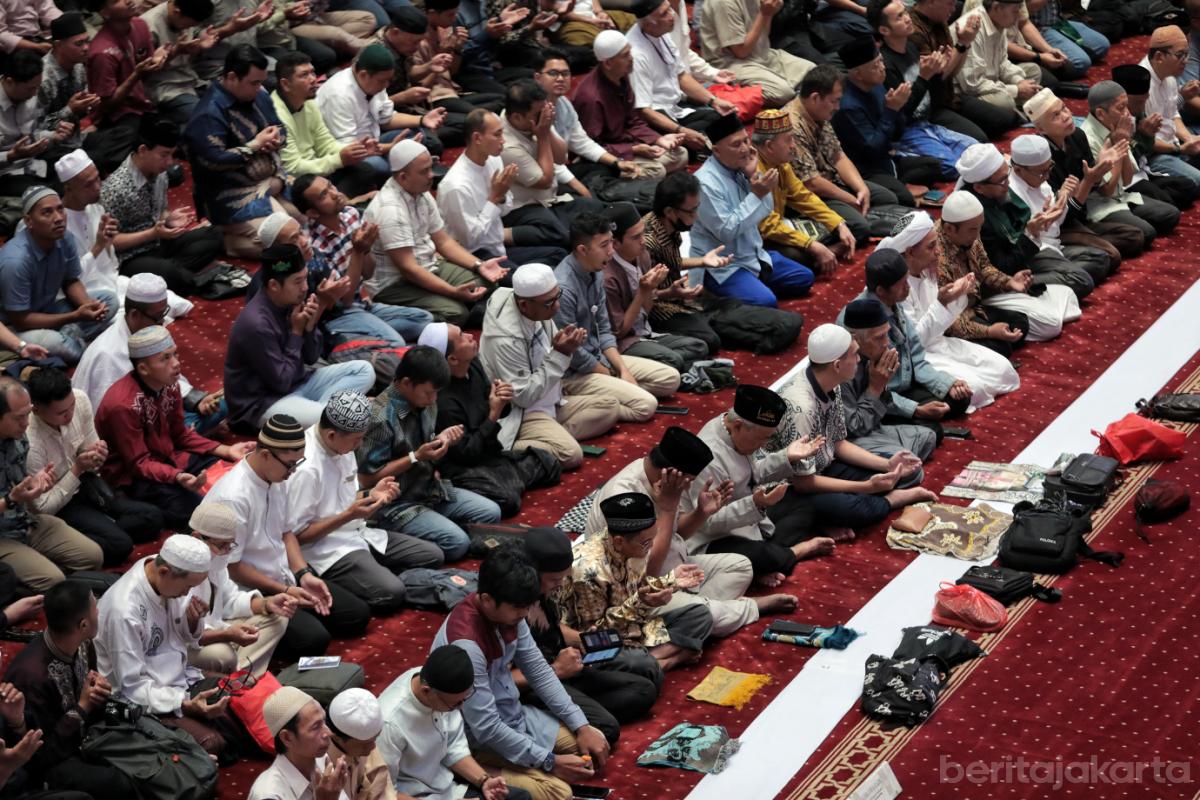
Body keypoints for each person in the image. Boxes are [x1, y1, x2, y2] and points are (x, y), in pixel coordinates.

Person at [431, 547, 610, 800]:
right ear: (486, 600)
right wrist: (549, 761)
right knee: (557, 793)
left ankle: (531, 766)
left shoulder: (511, 614)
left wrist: (580, 725)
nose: (525, 614)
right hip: (476, 739)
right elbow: (486, 728)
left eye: (527, 607)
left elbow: (538, 671)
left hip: (513, 715)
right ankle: (474, 772)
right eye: (518, 608)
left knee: (595, 741)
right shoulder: (467, 645)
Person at [585, 427, 795, 633]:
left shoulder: (664, 481)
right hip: (638, 592)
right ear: (670, 473)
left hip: (676, 568)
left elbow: (678, 535)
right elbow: (648, 572)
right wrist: (668, 508)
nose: (687, 488)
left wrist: (701, 513)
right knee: (705, 612)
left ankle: (695, 619)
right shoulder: (624, 497)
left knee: (740, 566)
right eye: (688, 482)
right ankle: (743, 609)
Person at [203, 414, 372, 663]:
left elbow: (286, 532)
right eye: (291, 464)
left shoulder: (276, 475)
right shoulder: (234, 497)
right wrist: (285, 590)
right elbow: (233, 567)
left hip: (283, 576)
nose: (294, 471)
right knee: (314, 639)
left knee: (356, 615)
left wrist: (303, 575)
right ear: (265, 455)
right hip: (248, 589)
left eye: (298, 462)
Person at [289, 391, 445, 613]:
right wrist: (349, 514)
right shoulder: (306, 469)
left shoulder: (341, 445)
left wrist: (372, 494)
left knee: (433, 556)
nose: (359, 445)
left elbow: (345, 499)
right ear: (332, 435)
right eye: (356, 440)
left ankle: (372, 576)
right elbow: (297, 537)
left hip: (358, 531)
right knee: (393, 592)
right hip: (326, 549)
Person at [771, 324, 935, 535]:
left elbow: (838, 443)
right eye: (855, 355)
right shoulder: (802, 408)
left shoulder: (832, 383)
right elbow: (802, 482)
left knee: (900, 474)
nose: (859, 360)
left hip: (824, 467)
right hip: (789, 489)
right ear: (837, 365)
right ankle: (890, 500)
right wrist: (865, 487)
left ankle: (839, 511)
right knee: (856, 509)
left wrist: (887, 464)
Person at [95, 325, 252, 531]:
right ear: (143, 369)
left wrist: (225, 450)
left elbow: (180, 434)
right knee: (203, 514)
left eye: (175, 354)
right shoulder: (123, 406)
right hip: (135, 479)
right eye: (165, 358)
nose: (176, 363)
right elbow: (139, 464)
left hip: (171, 458)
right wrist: (176, 476)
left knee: (234, 477)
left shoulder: (170, 384)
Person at [357, 347, 502, 562]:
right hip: (395, 504)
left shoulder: (426, 402)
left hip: (429, 489)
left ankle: (433, 528)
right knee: (457, 544)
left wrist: (442, 440)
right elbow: (366, 479)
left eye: (437, 392)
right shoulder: (380, 418)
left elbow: (426, 449)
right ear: (406, 383)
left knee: (491, 512)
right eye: (428, 393)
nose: (434, 399)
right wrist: (416, 457)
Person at [95, 534, 233, 756]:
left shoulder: (163, 571)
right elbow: (131, 689)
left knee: (235, 707)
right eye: (188, 587)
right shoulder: (124, 612)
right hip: (142, 702)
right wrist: (184, 703)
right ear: (164, 572)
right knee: (214, 744)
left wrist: (192, 621)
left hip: (179, 680)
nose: (187, 594)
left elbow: (181, 640)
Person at [519, 528, 660, 743]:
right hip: (536, 685)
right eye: (555, 579)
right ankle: (549, 723)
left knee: (645, 687)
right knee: (608, 729)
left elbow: (551, 629)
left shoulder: (546, 591)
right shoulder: (513, 607)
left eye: (564, 577)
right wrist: (556, 670)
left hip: (563, 667)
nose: (560, 584)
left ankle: (576, 713)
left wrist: (580, 639)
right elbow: (499, 680)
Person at [684, 384, 833, 582]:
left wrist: (787, 456)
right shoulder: (709, 457)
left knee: (805, 505)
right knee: (764, 555)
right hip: (713, 538)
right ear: (737, 425)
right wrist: (756, 505)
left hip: (751, 517)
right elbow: (707, 523)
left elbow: (752, 474)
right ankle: (794, 552)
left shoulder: (735, 431)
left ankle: (771, 560)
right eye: (761, 439)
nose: (763, 445)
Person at [479, 263, 620, 471]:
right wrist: (562, 353)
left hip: (553, 399)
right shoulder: (504, 338)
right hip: (525, 412)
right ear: (525, 305)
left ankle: (553, 435)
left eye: (558, 296)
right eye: (549, 303)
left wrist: (566, 346)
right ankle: (504, 445)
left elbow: (553, 357)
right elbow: (523, 397)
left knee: (610, 407)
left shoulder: (538, 308)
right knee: (571, 455)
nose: (557, 307)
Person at [4, 580, 136, 800]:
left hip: (85, 735)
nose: (99, 612)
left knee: (137, 721)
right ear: (83, 624)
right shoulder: (31, 678)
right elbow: (40, 756)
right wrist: (83, 707)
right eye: (96, 607)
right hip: (51, 763)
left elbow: (92, 694)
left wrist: (98, 690)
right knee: (119, 783)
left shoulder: (82, 642)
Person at [877, 211, 1020, 411]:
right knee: (974, 388)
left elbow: (942, 324)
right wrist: (943, 303)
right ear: (910, 252)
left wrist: (957, 296)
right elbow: (914, 342)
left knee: (1003, 369)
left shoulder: (927, 272)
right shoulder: (897, 287)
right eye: (931, 246)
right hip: (920, 356)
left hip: (940, 343)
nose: (938, 252)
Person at [225, 243, 376, 430]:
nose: (305, 287)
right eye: (297, 282)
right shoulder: (257, 324)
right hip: (262, 403)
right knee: (335, 418)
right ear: (273, 285)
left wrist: (310, 326)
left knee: (364, 371)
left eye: (305, 279)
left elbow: (311, 357)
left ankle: (322, 413)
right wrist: (297, 332)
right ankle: (324, 415)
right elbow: (281, 382)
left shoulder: (291, 300)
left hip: (299, 383)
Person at [561, 492, 714, 671]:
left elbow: (637, 590)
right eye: (647, 543)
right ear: (619, 542)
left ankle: (652, 663)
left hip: (635, 627)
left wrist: (669, 581)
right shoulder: (588, 571)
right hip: (602, 641)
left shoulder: (634, 544)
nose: (651, 547)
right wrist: (641, 603)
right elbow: (594, 634)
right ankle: (666, 661)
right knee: (635, 663)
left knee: (701, 615)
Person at [25, 367, 162, 566]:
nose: (70, 414)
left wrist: (97, 455)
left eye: (71, 406)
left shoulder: (79, 399)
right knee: (121, 545)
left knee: (153, 517)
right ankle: (96, 533)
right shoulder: (30, 441)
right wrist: (78, 468)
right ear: (35, 409)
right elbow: (43, 509)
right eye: (62, 413)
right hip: (60, 505)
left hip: (85, 484)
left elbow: (92, 459)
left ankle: (104, 527)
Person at [363, 140, 509, 325]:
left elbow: (443, 242)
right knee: (455, 312)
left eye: (430, 167)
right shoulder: (390, 210)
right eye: (424, 171)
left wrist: (479, 265)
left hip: (427, 265)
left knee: (487, 282)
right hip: (395, 284)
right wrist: (452, 292)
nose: (431, 175)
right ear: (403, 177)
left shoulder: (420, 192)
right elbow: (409, 269)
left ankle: (464, 305)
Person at [555, 212, 682, 412]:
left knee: (670, 379)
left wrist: (622, 370)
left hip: (601, 358)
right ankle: (604, 400)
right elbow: (573, 353)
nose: (611, 251)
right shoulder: (564, 289)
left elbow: (604, 330)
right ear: (582, 249)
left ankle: (615, 394)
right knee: (646, 405)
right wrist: (607, 373)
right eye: (604, 245)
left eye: (611, 243)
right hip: (576, 372)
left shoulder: (595, 271)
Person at [292, 176, 435, 348]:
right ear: (312, 213)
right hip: (338, 315)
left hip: (363, 305)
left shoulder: (350, 215)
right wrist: (358, 251)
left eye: (331, 186)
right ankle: (346, 341)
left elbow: (368, 273)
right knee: (395, 342)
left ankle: (368, 335)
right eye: (324, 195)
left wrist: (366, 247)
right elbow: (345, 300)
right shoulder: (314, 247)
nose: (334, 194)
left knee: (425, 319)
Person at [73, 273, 225, 434]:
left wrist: (197, 401)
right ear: (134, 315)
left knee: (220, 406)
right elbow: (111, 419)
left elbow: (168, 377)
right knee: (188, 430)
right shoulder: (108, 355)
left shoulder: (149, 331)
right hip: (128, 432)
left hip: (155, 411)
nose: (162, 322)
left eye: (164, 314)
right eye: (157, 317)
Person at [690, 113, 815, 307]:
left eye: (746, 141)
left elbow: (766, 210)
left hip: (753, 253)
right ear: (716, 150)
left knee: (804, 278)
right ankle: (713, 293)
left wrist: (753, 176)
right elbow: (726, 231)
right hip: (723, 264)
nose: (745, 149)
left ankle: (750, 287)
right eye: (736, 144)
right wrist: (757, 193)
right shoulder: (705, 183)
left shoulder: (743, 168)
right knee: (767, 302)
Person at [377, 644, 530, 800]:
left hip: (447, 786)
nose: (461, 707)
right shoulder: (389, 724)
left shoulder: (439, 685)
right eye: (456, 703)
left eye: (464, 699)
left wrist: (484, 780)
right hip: (418, 795)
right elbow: (385, 793)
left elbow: (453, 747)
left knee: (521, 797)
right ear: (426, 691)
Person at [955, 141, 1102, 299]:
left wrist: (1044, 219)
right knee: (1081, 279)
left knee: (1100, 259)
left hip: (1027, 252)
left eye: (1007, 174)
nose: (1009, 182)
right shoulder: (974, 218)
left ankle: (1052, 282)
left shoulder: (998, 189)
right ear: (979, 188)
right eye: (1003, 180)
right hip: (1007, 271)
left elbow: (1022, 222)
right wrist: (1031, 233)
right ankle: (1016, 289)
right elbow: (1002, 267)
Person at [183, 45, 292, 259]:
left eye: (261, 82)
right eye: (254, 82)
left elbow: (279, 127)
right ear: (232, 77)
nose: (259, 88)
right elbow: (213, 161)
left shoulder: (258, 95)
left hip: (269, 179)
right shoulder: (208, 113)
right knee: (287, 239)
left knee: (308, 217)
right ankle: (227, 240)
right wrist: (254, 146)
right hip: (231, 194)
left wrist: (275, 140)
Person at [840, 253, 971, 428]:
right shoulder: (857, 324)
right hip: (882, 395)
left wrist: (945, 383)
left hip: (904, 383)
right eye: (902, 284)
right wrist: (915, 409)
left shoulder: (894, 302)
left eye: (907, 280)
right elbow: (868, 389)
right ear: (880, 291)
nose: (908, 288)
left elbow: (915, 356)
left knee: (960, 398)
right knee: (931, 429)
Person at [101, 116, 226, 296]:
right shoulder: (116, 189)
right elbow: (110, 243)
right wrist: (152, 233)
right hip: (131, 257)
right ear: (143, 150)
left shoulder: (160, 174)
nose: (170, 162)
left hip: (159, 243)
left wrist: (168, 219)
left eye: (172, 155)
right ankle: (179, 275)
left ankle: (170, 274)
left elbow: (161, 212)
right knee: (169, 272)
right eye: (164, 155)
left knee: (214, 235)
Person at [785, 65, 909, 244]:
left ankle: (867, 218)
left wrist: (861, 188)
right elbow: (812, 183)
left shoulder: (819, 112)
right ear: (815, 98)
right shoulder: (792, 127)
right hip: (811, 196)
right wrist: (851, 199)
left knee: (887, 197)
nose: (838, 107)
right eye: (834, 101)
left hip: (832, 180)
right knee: (860, 225)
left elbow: (838, 156)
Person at [1030, 88, 1154, 256]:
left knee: (1136, 235)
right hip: (1060, 225)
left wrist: (1099, 170)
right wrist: (1090, 179)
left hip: (1083, 212)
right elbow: (1062, 214)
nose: (1066, 116)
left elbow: (1097, 185)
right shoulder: (1040, 158)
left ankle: (1090, 247)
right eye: (1055, 116)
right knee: (1119, 249)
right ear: (1040, 128)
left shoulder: (1077, 136)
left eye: (1064, 108)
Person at [436, 109, 568, 269]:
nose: (503, 141)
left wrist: (502, 196)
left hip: (498, 247)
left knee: (559, 254)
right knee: (534, 279)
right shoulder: (455, 186)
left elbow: (506, 209)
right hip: (476, 257)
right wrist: (494, 198)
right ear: (477, 138)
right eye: (497, 135)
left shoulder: (494, 160)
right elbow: (470, 240)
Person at [0, 187, 117, 365]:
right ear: (29, 221)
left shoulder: (65, 238)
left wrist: (87, 305)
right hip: (14, 326)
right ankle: (76, 339)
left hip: (48, 309)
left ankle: (72, 335)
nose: (59, 218)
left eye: (60, 209)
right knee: (60, 345)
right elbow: (21, 320)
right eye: (47, 212)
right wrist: (75, 316)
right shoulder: (15, 261)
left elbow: (70, 280)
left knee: (109, 301)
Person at [834, 35, 967, 190]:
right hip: (870, 165)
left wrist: (898, 108)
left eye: (882, 61)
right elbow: (873, 150)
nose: (882, 68)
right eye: (875, 65)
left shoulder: (877, 83)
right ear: (857, 74)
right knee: (946, 167)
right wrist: (892, 110)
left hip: (893, 146)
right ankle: (903, 186)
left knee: (969, 150)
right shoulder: (847, 106)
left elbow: (898, 129)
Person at [531, 48, 659, 206]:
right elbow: (549, 162)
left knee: (607, 169)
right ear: (537, 78)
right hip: (541, 177)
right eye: (553, 73)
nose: (560, 79)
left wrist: (616, 162)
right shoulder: (531, 109)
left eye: (565, 74)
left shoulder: (563, 103)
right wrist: (578, 186)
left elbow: (581, 142)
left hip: (562, 166)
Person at [934, 191, 1049, 356]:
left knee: (1019, 323)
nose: (977, 235)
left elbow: (984, 266)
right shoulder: (937, 258)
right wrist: (989, 332)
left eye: (980, 227)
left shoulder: (970, 231)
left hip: (974, 307)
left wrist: (1009, 282)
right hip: (954, 319)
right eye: (973, 230)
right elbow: (948, 320)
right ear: (949, 229)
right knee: (999, 346)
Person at [186, 502, 293, 679]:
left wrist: (267, 603)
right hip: (187, 645)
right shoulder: (178, 571)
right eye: (221, 546)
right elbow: (183, 636)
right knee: (222, 655)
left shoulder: (216, 561)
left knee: (278, 617)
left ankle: (239, 678)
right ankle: (239, 678)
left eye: (231, 545)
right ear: (197, 537)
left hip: (217, 629)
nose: (227, 552)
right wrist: (227, 634)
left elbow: (230, 601)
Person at [499, 79, 607, 251]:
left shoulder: (539, 117)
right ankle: (500, 235)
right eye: (538, 114)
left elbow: (561, 157)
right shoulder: (506, 145)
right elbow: (545, 180)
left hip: (549, 199)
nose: (544, 117)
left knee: (597, 209)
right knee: (564, 236)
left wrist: (547, 130)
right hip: (521, 208)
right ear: (516, 117)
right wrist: (542, 136)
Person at [602, 202, 710, 374]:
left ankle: (667, 366)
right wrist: (643, 293)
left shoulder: (642, 255)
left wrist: (669, 292)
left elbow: (646, 308)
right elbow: (619, 332)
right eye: (636, 237)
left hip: (645, 332)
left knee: (699, 346)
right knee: (674, 359)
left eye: (643, 233)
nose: (644, 241)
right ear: (615, 243)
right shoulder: (607, 277)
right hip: (623, 343)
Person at [316, 44, 448, 181]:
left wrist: (422, 119)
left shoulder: (375, 82)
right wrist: (390, 148)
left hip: (374, 141)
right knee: (380, 167)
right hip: (349, 153)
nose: (386, 85)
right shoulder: (338, 95)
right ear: (363, 75)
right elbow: (349, 150)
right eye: (382, 81)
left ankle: (415, 169)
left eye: (388, 80)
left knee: (418, 134)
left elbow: (387, 118)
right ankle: (415, 172)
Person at [1068, 86, 1183, 243]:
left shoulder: (1117, 128)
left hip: (1122, 195)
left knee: (1170, 213)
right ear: (1101, 114)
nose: (1127, 113)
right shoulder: (1088, 138)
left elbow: (1128, 179)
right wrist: (1118, 146)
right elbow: (1106, 190)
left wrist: (1122, 143)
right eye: (1121, 108)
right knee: (1146, 233)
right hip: (1100, 204)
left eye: (1127, 106)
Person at [1008, 134, 1120, 289]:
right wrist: (1042, 223)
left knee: (1102, 258)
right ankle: (1018, 285)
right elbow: (1021, 242)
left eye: (1050, 168)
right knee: (1083, 280)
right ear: (1018, 170)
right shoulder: (1010, 193)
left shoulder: (1040, 180)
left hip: (1055, 245)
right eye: (1042, 172)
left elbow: (1056, 226)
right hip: (1035, 251)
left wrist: (1063, 202)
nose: (1047, 176)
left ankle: (1062, 276)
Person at [753, 108, 856, 276]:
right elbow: (768, 227)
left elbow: (803, 197)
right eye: (788, 140)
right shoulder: (755, 172)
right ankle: (822, 254)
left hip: (781, 224)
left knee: (848, 227)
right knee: (799, 257)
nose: (793, 146)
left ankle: (825, 252)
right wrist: (811, 245)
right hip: (760, 238)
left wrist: (838, 224)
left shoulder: (781, 163)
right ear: (769, 146)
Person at [836, 298, 939, 462]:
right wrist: (876, 388)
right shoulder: (842, 370)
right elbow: (854, 429)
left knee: (928, 435)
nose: (887, 343)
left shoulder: (870, 355)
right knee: (903, 462)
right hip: (847, 441)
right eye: (879, 338)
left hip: (873, 429)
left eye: (887, 334)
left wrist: (882, 386)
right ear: (855, 338)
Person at [574, 31, 688, 177]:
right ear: (608, 63)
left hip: (628, 145)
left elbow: (634, 122)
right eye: (625, 55)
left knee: (680, 153)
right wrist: (633, 149)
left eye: (630, 52)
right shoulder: (590, 97)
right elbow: (590, 147)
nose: (631, 58)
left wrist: (658, 139)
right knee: (656, 171)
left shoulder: (621, 77)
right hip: (607, 158)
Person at [272, 51, 381, 203]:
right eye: (304, 75)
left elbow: (326, 144)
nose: (313, 79)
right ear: (286, 84)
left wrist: (354, 150)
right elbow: (293, 168)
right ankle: (348, 206)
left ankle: (347, 206)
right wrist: (339, 159)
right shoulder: (276, 116)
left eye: (313, 73)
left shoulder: (308, 101)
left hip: (315, 168)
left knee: (365, 170)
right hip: (294, 181)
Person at [872, 0, 985, 144]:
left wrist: (939, 69)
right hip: (912, 126)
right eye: (899, 17)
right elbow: (903, 112)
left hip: (931, 111)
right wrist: (925, 76)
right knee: (978, 142)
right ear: (884, 30)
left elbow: (934, 85)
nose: (907, 18)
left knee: (992, 129)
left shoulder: (911, 47)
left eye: (905, 12)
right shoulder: (886, 65)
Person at [626, 0, 735, 145]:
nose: (672, 16)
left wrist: (714, 101)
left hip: (674, 107)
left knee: (724, 118)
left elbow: (681, 75)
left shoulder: (662, 32)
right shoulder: (636, 54)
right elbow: (644, 110)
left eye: (669, 9)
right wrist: (681, 130)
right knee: (693, 140)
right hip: (653, 115)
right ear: (648, 24)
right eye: (664, 14)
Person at [85, 0, 171, 173]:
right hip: (115, 117)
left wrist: (164, 57)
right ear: (105, 13)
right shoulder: (102, 51)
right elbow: (108, 105)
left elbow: (146, 72)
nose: (129, 1)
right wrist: (136, 75)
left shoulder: (140, 25)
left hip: (142, 104)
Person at [1110, 64, 1200, 211]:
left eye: (1145, 100)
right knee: (1169, 209)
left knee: (1188, 188)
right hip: (1126, 178)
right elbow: (1124, 161)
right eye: (1139, 102)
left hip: (1144, 167)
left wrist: (1148, 136)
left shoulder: (1138, 108)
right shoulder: (1112, 118)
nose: (1142, 106)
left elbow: (1148, 145)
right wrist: (1143, 137)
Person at [698, 0, 813, 106]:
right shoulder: (723, 3)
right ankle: (723, 93)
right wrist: (764, 14)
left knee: (813, 73)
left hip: (761, 54)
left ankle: (789, 90)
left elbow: (764, 33)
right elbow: (741, 51)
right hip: (729, 63)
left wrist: (769, 13)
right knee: (782, 92)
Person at [250, 686, 350, 800]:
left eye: (324, 721)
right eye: (316, 727)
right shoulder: (269, 795)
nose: (328, 733)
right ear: (287, 738)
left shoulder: (320, 759)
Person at [951, 0, 1040, 125]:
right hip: (967, 93)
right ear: (997, 8)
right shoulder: (970, 28)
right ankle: (1017, 112)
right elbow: (972, 85)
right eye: (1015, 10)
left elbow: (1003, 63)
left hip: (991, 82)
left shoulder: (999, 21)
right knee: (1004, 101)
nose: (1019, 14)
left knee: (1033, 71)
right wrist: (1016, 90)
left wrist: (1019, 82)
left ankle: (1018, 110)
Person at [55, 149, 120, 303]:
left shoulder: (96, 208)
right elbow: (70, 281)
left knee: (167, 297)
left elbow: (110, 267)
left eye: (98, 179)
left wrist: (108, 242)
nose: (98, 187)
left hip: (109, 281)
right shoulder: (57, 225)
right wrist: (98, 247)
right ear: (68, 188)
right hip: (83, 296)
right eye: (88, 184)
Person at [1141, 26, 1200, 192]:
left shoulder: (1170, 75)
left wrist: (1188, 138)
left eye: (1187, 54)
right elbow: (1145, 142)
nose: (1186, 60)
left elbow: (1173, 114)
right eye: (1180, 55)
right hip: (1153, 155)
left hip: (1172, 142)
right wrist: (1180, 149)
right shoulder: (1142, 87)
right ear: (1159, 57)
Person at [38, 14, 99, 156]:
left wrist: (88, 104)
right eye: (79, 43)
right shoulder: (42, 79)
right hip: (51, 149)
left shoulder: (78, 65)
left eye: (87, 41)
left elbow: (82, 111)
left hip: (76, 141)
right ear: (58, 45)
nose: (86, 48)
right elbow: (36, 129)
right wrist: (69, 110)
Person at [324, 689, 398, 800]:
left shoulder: (364, 740)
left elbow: (382, 783)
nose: (373, 747)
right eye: (365, 744)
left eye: (375, 738)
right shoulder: (322, 769)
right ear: (337, 738)